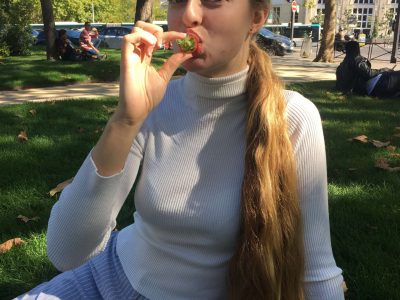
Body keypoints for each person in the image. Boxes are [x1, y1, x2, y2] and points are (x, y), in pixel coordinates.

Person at [17, 0, 345, 299]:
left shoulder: (293, 118)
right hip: (109, 275)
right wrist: (125, 120)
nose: (188, 14)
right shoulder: (156, 100)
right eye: (176, 0)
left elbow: (316, 272)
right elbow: (68, 253)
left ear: (256, 18)